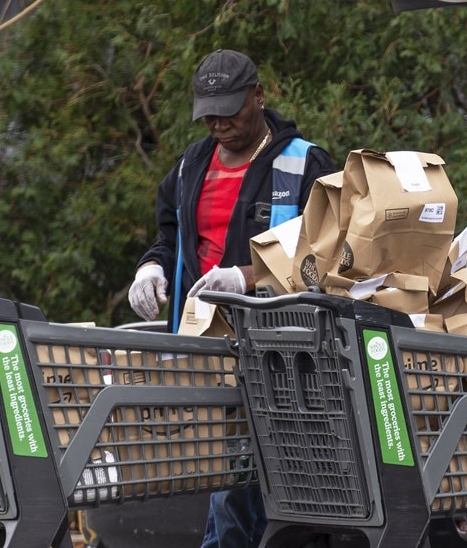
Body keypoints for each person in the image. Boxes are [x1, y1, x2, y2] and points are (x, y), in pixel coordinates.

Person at [129, 49, 336, 548]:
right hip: (210, 351)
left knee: (260, 481)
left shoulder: (304, 163)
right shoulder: (190, 166)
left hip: (285, 357)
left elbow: (326, 255)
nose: (219, 123)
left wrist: (246, 277)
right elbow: (171, 236)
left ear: (258, 97)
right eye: (209, 113)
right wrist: (151, 266)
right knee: (229, 478)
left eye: (230, 109)